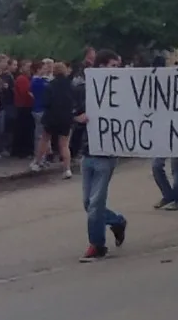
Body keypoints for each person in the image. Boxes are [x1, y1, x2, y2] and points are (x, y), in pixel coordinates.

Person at [72, 50, 128, 262]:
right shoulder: (87, 88)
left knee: (95, 203)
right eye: (114, 65)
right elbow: (74, 113)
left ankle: (97, 245)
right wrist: (79, 118)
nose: (117, 70)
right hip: (88, 151)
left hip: (107, 152)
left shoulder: (122, 90)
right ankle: (116, 221)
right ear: (102, 66)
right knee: (88, 202)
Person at [32, 63, 74, 179]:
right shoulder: (71, 85)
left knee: (44, 139)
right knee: (64, 144)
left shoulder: (50, 85)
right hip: (66, 117)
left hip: (51, 117)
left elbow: (45, 102)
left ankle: (37, 163)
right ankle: (67, 169)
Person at [12, 60, 35, 158]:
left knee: (26, 129)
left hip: (27, 106)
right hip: (23, 106)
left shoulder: (28, 78)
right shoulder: (22, 79)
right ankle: (21, 151)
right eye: (27, 66)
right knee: (23, 129)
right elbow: (25, 93)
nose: (29, 69)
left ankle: (23, 150)